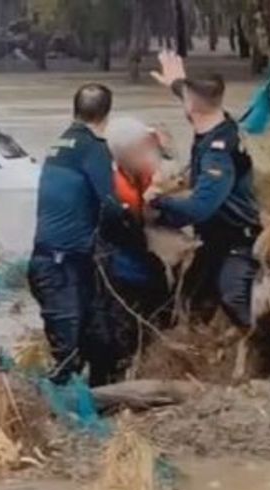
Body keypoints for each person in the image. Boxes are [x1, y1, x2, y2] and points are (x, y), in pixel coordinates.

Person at [149, 51, 262, 329]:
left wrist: (158, 203)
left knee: (234, 298)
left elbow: (201, 207)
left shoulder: (217, 153)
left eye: (185, 98)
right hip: (214, 242)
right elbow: (198, 104)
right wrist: (178, 85)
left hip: (236, 242)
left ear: (191, 104)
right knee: (187, 303)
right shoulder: (220, 121)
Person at [28, 83, 121, 386]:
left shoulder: (60, 144)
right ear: (107, 114)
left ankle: (97, 405)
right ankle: (57, 418)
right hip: (61, 268)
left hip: (54, 263)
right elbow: (111, 206)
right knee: (68, 357)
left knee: (99, 341)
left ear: (75, 110)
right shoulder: (93, 149)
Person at [88, 116, 175, 386]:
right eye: (144, 149)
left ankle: (143, 367)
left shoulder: (135, 171)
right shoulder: (116, 187)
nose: (150, 155)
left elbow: (168, 168)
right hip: (121, 267)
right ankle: (117, 382)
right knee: (124, 329)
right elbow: (131, 223)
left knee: (158, 310)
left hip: (139, 260)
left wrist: (165, 148)